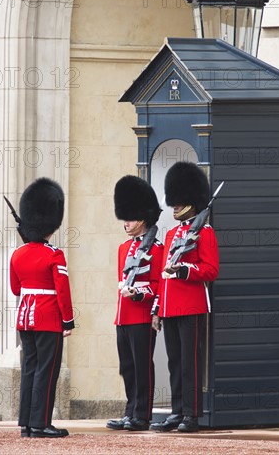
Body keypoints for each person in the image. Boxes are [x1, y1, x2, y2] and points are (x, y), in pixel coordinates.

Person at [150, 162, 219, 433]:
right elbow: (161, 276)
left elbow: (211, 270)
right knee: (175, 361)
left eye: (178, 202)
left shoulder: (204, 232)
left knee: (190, 362)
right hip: (169, 306)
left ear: (191, 201)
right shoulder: (171, 234)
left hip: (191, 305)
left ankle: (191, 414)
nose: (174, 207)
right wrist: (157, 308)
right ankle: (177, 411)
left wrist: (185, 270)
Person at [9, 177, 75, 439]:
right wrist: (68, 321)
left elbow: (16, 289)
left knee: (30, 369)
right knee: (47, 371)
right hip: (48, 318)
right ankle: (41, 424)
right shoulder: (54, 254)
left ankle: (26, 423)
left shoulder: (18, 254)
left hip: (25, 317)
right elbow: (63, 291)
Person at [106, 175, 164, 432]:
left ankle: (143, 414)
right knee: (127, 367)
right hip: (124, 317)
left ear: (142, 219)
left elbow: (157, 284)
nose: (126, 223)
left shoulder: (156, 249)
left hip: (141, 315)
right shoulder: (123, 248)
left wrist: (142, 297)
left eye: (130, 218)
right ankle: (130, 411)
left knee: (142, 368)